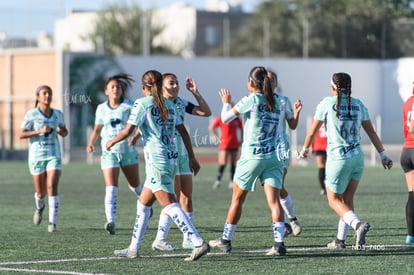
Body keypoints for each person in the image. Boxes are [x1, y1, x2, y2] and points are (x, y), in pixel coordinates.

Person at [107, 70, 209, 261]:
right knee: (143, 203)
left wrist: (111, 141)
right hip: (171, 160)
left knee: (169, 204)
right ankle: (133, 249)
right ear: (160, 85)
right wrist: (192, 157)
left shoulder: (142, 103)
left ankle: (197, 242)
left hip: (157, 162)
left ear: (144, 88)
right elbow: (184, 133)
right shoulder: (170, 104)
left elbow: (128, 130)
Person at [300, 72, 393, 250]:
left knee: (333, 200)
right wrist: (383, 155)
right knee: (347, 200)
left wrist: (304, 150)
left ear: (332, 87)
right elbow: (372, 132)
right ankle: (340, 240)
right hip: (357, 159)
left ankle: (358, 225)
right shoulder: (358, 105)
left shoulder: (327, 103)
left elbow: (312, 132)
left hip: (337, 159)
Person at [209, 66, 287, 256]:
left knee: (237, 199)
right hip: (273, 157)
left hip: (252, 157)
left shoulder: (252, 98)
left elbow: (226, 118)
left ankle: (226, 240)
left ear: (251, 83)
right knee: (274, 201)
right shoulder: (279, 101)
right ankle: (279, 244)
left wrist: (226, 103)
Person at [151, 73, 211, 251]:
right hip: (167, 156)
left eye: (177, 83)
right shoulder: (157, 104)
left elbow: (206, 112)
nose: (175, 86)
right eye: (171, 83)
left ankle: (188, 238)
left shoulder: (180, 103)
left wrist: (195, 92)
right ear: (162, 87)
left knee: (187, 196)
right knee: (172, 199)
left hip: (183, 155)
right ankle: (160, 239)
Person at [86, 73, 143, 235]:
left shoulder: (130, 106)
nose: (116, 89)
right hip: (109, 152)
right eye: (112, 87)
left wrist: (136, 136)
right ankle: (111, 221)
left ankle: (147, 203)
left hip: (127, 151)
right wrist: (91, 143)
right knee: (111, 188)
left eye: (118, 87)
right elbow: (97, 128)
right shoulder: (101, 108)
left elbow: (139, 124)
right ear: (106, 91)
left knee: (135, 186)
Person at [19, 85, 69, 233]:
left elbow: (64, 131)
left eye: (49, 93)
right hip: (37, 156)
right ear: (38, 97)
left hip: (53, 155)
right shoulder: (32, 115)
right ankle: (40, 206)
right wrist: (39, 131)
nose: (47, 96)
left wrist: (61, 131)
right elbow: (21, 134)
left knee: (52, 187)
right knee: (41, 193)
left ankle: (52, 223)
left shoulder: (58, 114)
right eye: (44, 93)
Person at [268, 69, 303, 236]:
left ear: (276, 83)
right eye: (266, 79)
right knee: (272, 188)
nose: (270, 82)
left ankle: (290, 221)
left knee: (277, 186)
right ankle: (288, 223)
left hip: (280, 148)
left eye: (272, 79)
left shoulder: (283, 101)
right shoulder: (255, 100)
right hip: (262, 151)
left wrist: (296, 113)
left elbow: (293, 125)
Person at [209, 113, 243, 189]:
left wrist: (242, 139)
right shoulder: (222, 118)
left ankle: (232, 181)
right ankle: (218, 181)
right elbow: (211, 127)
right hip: (224, 144)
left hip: (235, 144)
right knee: (223, 162)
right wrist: (217, 138)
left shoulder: (236, 119)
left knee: (233, 163)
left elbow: (242, 128)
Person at [400, 81, 414, 244]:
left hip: (407, 151)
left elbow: (407, 130)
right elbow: (412, 127)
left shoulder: (407, 103)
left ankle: (411, 235)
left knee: (412, 193)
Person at [311, 123, 327, 195]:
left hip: (318, 145)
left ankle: (323, 188)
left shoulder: (317, 117)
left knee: (321, 167)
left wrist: (312, 146)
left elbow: (312, 132)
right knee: (329, 167)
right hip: (329, 145)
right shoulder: (333, 115)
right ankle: (328, 188)